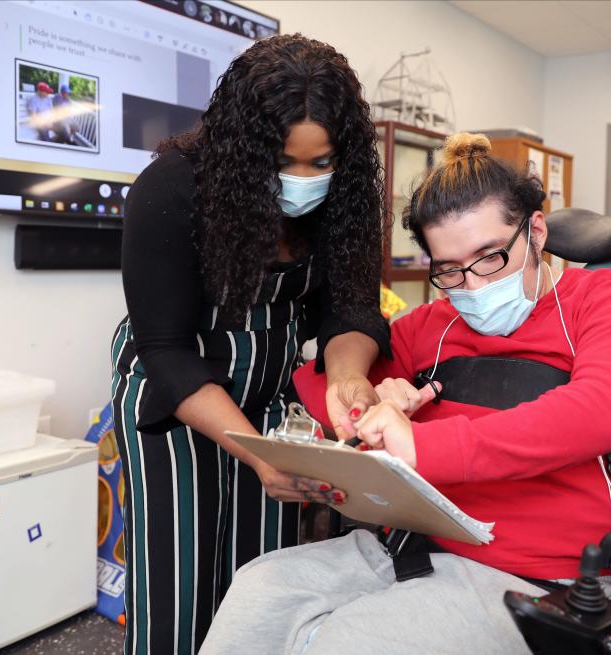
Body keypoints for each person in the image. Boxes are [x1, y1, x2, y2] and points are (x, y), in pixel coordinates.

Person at [199, 133, 611, 654]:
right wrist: (367, 403)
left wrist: (423, 445)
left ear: (534, 232)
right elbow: (325, 387)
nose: (474, 286)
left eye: (489, 257)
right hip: (411, 543)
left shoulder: (602, 301)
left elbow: (601, 412)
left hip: (535, 574)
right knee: (259, 591)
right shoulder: (434, 323)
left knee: (347, 643)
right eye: (449, 270)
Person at [110, 34, 390, 654]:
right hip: (175, 401)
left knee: (261, 582)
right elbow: (167, 352)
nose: (305, 179)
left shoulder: (342, 201)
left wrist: (346, 377)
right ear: (245, 149)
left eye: (322, 163)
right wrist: (261, 457)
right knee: (180, 585)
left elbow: (350, 310)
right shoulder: (171, 190)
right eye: (285, 161)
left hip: (271, 398)